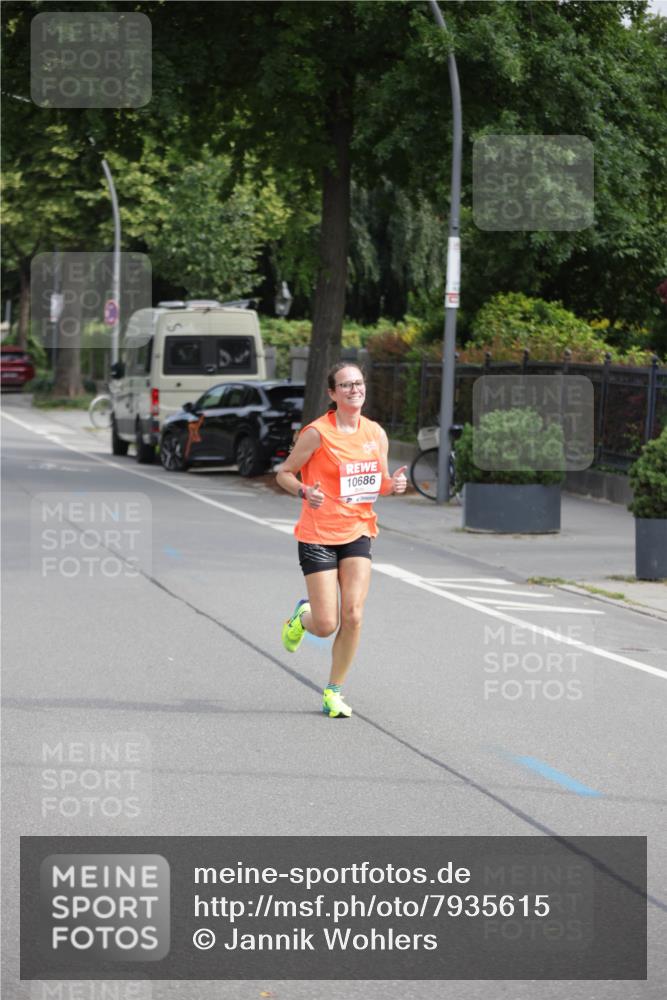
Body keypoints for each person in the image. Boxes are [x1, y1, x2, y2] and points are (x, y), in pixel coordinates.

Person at [275, 362, 407, 718]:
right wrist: (304, 491)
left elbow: (377, 483)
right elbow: (283, 473)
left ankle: (333, 691)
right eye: (346, 385)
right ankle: (302, 618)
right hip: (318, 533)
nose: (354, 390)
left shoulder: (375, 433)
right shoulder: (317, 434)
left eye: (359, 383)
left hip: (358, 530)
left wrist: (393, 486)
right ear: (332, 394)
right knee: (326, 623)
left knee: (353, 614)